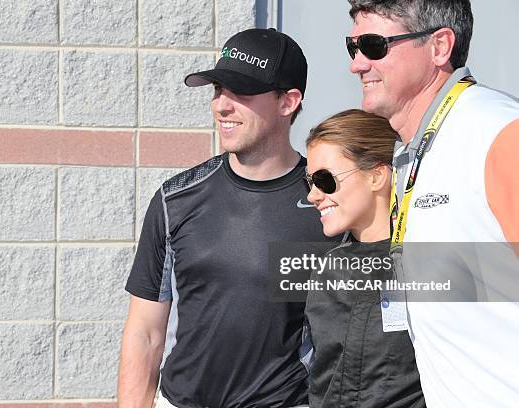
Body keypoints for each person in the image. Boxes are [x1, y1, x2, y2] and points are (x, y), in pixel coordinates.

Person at [118, 28, 334, 408]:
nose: (221, 105)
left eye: (241, 92)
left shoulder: (326, 203)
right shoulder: (176, 198)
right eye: (218, 89)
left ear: (288, 102)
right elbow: (145, 333)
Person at [346, 0, 519, 406]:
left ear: (440, 46)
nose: (357, 64)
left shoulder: (498, 133)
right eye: (351, 47)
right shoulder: (412, 149)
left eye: (373, 45)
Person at [304, 109, 424, 407]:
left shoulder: (428, 263)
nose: (313, 195)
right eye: (310, 182)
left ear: (377, 175)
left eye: (325, 179)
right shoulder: (328, 271)